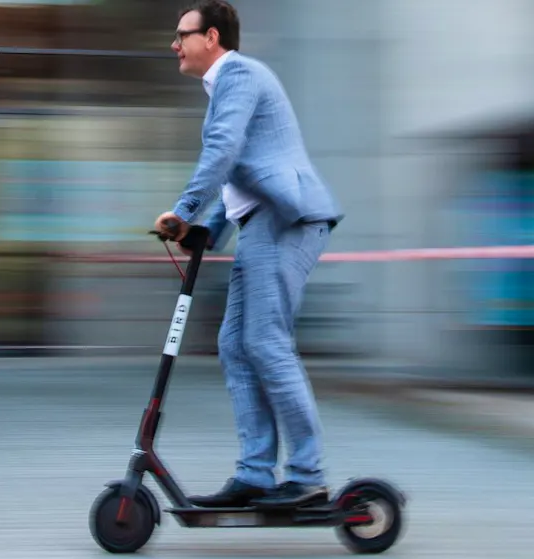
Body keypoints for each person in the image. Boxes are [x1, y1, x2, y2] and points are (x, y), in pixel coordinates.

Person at [154, 0, 343, 509]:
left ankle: (306, 476)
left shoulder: (238, 74)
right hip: (260, 224)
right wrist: (204, 231)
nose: (175, 44)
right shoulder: (226, 85)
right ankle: (257, 473)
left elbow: (222, 151)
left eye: (182, 34)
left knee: (265, 341)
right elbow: (239, 172)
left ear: (211, 37)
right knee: (236, 345)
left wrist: (184, 209)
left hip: (284, 222)